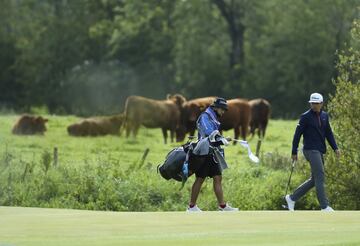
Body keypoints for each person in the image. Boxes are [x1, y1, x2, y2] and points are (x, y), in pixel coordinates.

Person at [285, 92, 340, 212]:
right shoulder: (305, 117)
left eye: (316, 103)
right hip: (310, 149)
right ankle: (324, 206)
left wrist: (335, 147)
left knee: (315, 180)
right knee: (320, 176)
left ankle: (292, 198)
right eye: (312, 103)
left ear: (321, 103)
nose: (314, 105)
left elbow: (328, 133)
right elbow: (297, 135)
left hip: (320, 150)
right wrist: (294, 151)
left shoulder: (325, 116)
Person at [186, 97, 238, 212]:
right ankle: (191, 206)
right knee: (200, 179)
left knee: (218, 177)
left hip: (213, 153)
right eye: (222, 109)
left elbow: (215, 136)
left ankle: (222, 206)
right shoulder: (205, 116)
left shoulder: (213, 117)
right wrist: (221, 139)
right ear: (216, 108)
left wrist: (223, 139)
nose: (223, 112)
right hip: (204, 153)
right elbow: (210, 134)